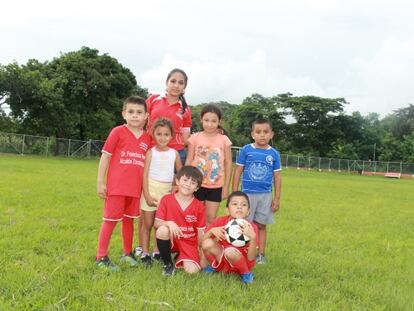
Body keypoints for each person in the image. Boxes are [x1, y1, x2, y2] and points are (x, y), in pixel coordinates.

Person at [136, 68, 192, 257]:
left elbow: (186, 138)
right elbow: (142, 123)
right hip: (151, 153)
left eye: (180, 82)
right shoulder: (153, 99)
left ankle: (161, 247)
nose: (176, 85)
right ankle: (141, 248)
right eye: (173, 81)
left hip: (174, 154)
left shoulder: (185, 109)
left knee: (167, 204)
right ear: (167, 82)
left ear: (184, 87)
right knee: (145, 203)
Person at [95, 96, 151, 271]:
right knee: (110, 220)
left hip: (135, 189)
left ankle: (127, 253)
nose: (135, 115)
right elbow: (106, 156)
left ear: (146, 116)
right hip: (117, 187)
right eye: (131, 112)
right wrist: (100, 182)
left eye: (139, 112)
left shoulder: (147, 138)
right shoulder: (117, 131)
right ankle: (101, 257)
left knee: (129, 221)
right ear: (124, 114)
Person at [232, 118, 282, 265]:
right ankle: (242, 251)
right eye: (258, 132)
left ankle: (260, 254)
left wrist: (277, 198)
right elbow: (238, 171)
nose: (262, 135)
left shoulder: (274, 154)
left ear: (271, 134)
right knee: (243, 224)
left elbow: (277, 177)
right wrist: (235, 193)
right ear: (252, 134)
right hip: (246, 194)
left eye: (266, 132)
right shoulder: (246, 150)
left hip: (265, 195)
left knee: (261, 225)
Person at [140, 118, 182, 267]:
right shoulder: (150, 153)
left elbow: (180, 173)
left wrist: (175, 186)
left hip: (166, 193)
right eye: (159, 134)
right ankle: (145, 253)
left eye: (166, 134)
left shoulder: (174, 153)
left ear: (172, 136)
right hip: (151, 189)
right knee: (148, 224)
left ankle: (157, 251)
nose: (162, 137)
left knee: (160, 225)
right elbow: (144, 175)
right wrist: (146, 194)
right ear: (153, 134)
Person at [186, 104, 232, 226]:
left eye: (213, 121)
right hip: (196, 185)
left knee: (211, 219)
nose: (210, 124)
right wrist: (185, 180)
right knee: (194, 218)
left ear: (219, 121)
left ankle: (205, 244)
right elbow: (189, 159)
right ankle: (193, 244)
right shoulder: (194, 138)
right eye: (206, 120)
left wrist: (226, 187)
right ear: (201, 119)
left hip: (215, 187)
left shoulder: (224, 139)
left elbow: (228, 163)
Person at [154, 166, 205, 276]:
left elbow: (200, 232)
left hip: (189, 242)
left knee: (192, 272)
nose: (188, 184)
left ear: (196, 188)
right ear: (177, 181)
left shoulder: (199, 206)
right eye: (185, 180)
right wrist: (169, 223)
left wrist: (201, 253)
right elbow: (157, 224)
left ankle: (180, 256)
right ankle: (168, 264)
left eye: (193, 182)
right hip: (172, 238)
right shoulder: (166, 199)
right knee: (162, 230)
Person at [202, 191, 258, 284]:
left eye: (243, 205)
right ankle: (217, 267)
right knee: (207, 243)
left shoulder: (251, 227)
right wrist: (211, 231)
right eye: (235, 204)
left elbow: (251, 258)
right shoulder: (220, 221)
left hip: (240, 261)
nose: (239, 207)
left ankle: (245, 273)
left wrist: (252, 238)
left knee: (230, 251)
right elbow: (201, 244)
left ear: (248, 211)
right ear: (227, 210)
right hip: (223, 258)